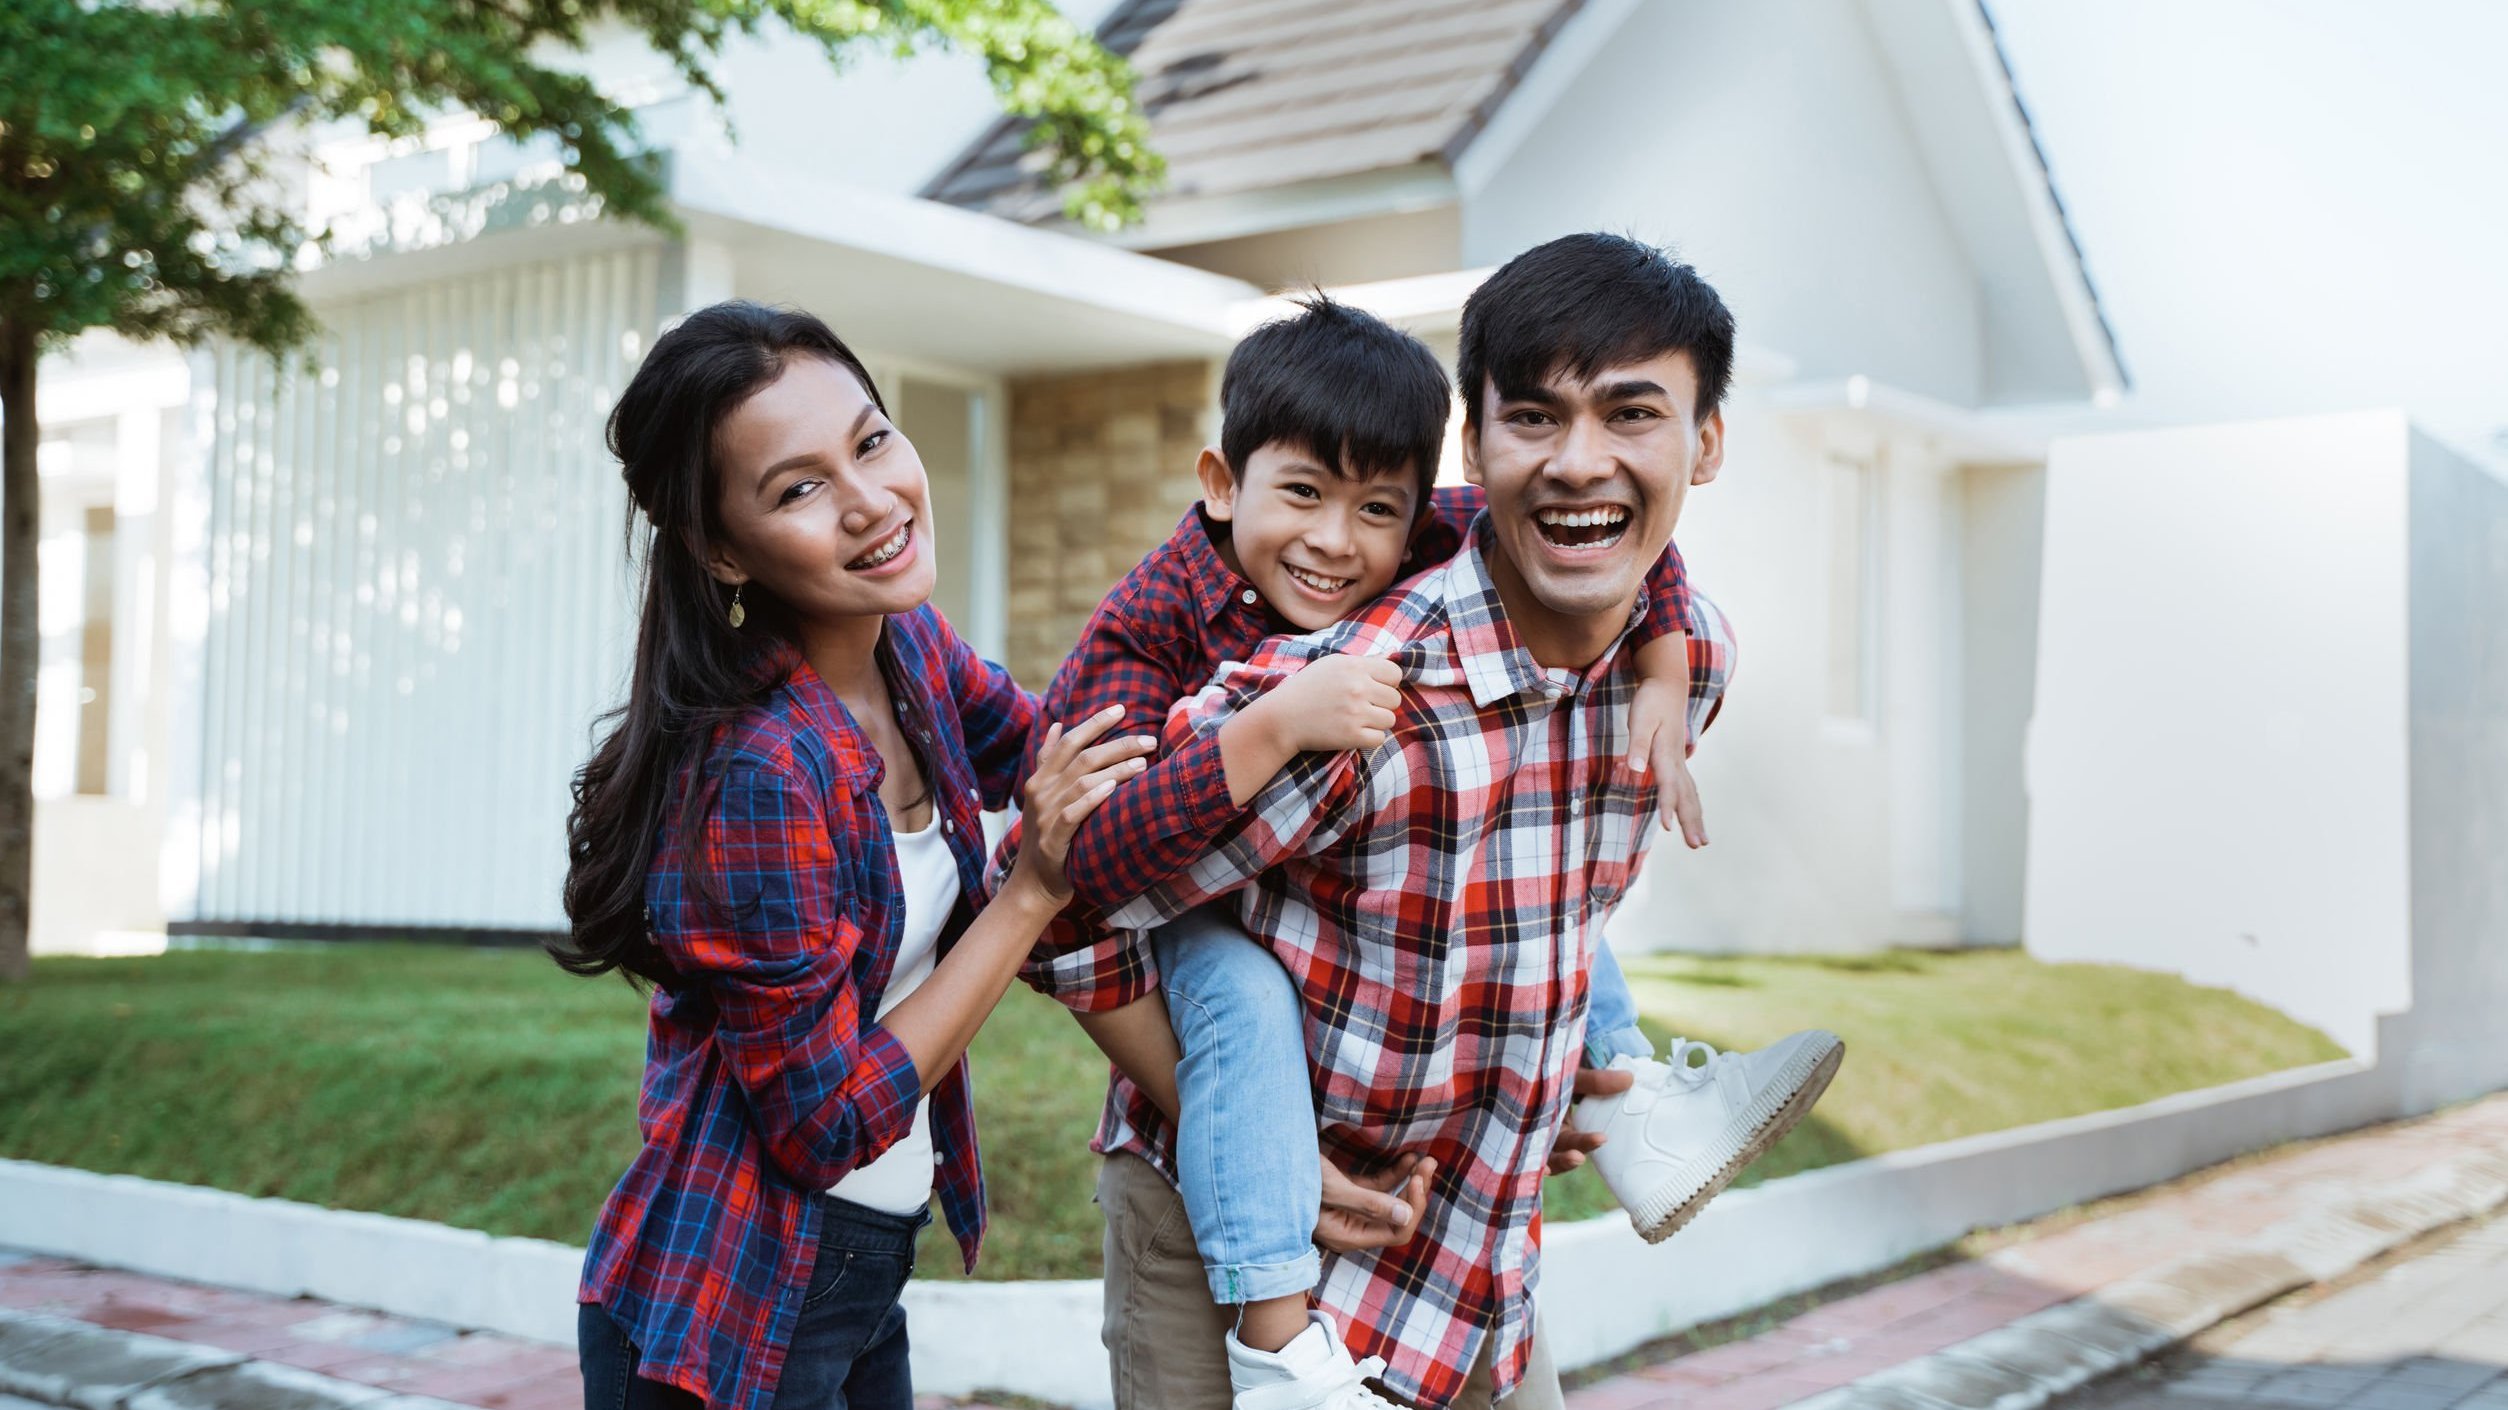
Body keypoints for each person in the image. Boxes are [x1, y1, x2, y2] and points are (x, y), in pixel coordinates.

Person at [1025, 282, 1840, 1410]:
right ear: (1484, 445)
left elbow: (1640, 573)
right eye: (1539, 418)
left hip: (1467, 1237)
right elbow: (1065, 884)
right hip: (1233, 1181)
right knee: (1243, 995)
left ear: (1706, 444)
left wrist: (1539, 1072)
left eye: (1634, 416)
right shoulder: (1264, 657)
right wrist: (1274, 725)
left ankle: (1627, 1102)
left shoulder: (1663, 635)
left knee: (1550, 893)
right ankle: (1273, 1351)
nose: (1333, 540)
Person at [548, 302, 1152, 1410]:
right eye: (799, 487)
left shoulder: (907, 648)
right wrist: (1029, 894)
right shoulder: (761, 773)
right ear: (720, 547)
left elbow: (1064, 748)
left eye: (871, 441)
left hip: (860, 1271)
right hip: (729, 1305)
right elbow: (821, 1121)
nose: (871, 500)